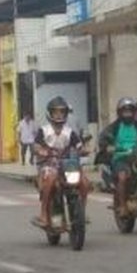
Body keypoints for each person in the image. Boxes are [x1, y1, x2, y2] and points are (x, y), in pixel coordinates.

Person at [30, 96, 90, 230]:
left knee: (85, 182)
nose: (59, 115)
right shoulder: (44, 130)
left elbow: (79, 146)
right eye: (56, 112)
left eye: (62, 112)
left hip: (68, 164)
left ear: (66, 114)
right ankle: (44, 214)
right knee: (50, 179)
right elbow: (36, 145)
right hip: (49, 164)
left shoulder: (70, 132)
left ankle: (82, 212)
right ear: (50, 113)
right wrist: (40, 151)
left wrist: (84, 150)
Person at [98, 97, 137, 218]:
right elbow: (104, 137)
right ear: (120, 113)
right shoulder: (114, 127)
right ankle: (122, 206)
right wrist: (106, 146)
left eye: (130, 111)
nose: (128, 114)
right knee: (122, 177)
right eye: (125, 111)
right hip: (121, 157)